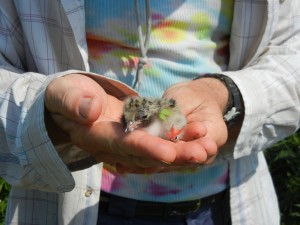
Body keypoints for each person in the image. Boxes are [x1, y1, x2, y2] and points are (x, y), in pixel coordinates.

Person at [0, 0, 299, 224]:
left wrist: (225, 94)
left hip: (225, 207)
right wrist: (51, 117)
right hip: (69, 207)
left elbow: (292, 57)